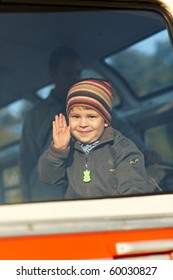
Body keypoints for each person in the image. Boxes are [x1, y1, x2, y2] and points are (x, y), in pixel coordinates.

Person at [38, 79, 147, 199]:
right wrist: (57, 151)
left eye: (91, 116)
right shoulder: (68, 148)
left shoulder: (122, 148)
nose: (83, 123)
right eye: (76, 117)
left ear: (105, 120)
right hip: (78, 215)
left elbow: (133, 187)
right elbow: (49, 178)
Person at [19, 46, 83, 202]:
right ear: (52, 76)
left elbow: (123, 132)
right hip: (47, 199)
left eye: (78, 73)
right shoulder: (36, 116)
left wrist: (145, 151)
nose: (75, 79)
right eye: (68, 74)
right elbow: (27, 163)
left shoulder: (94, 108)